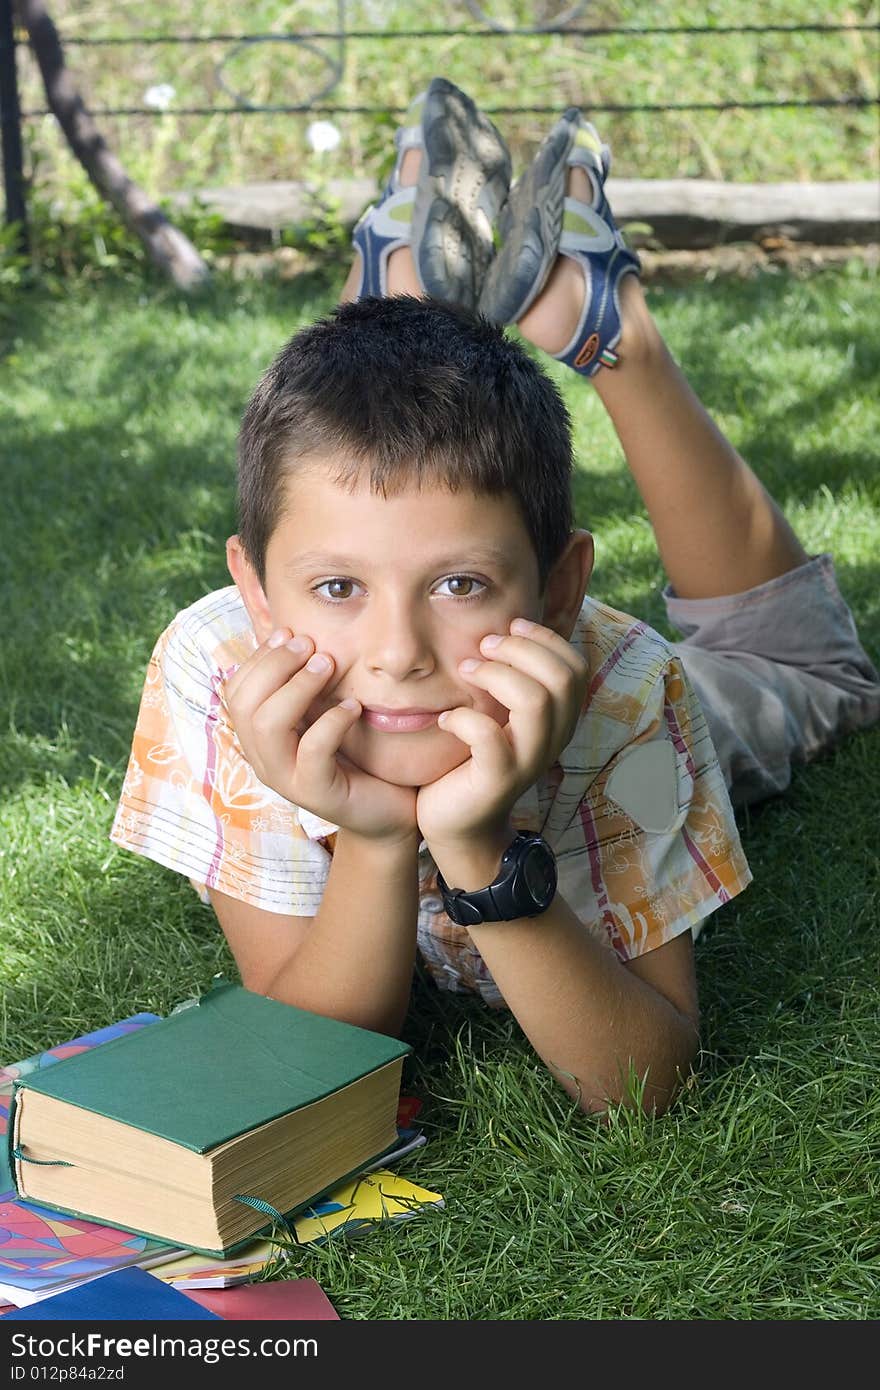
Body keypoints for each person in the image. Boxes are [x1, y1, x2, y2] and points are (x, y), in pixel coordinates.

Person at [110, 79, 880, 1119]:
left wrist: (478, 850)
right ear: (251, 589)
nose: (396, 651)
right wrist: (381, 837)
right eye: (334, 588)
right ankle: (394, 301)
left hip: (630, 703)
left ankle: (613, 324)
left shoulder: (627, 693)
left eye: (461, 585)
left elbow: (641, 1087)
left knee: (804, 671)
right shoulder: (218, 668)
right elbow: (313, 1057)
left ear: (561, 588)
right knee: (350, 455)